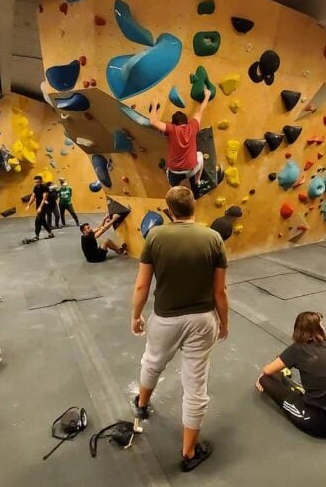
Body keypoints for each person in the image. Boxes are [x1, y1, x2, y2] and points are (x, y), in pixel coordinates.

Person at [131, 186, 228, 472]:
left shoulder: (155, 236)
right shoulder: (213, 238)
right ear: (193, 206)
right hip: (202, 321)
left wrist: (135, 316)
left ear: (169, 209)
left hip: (165, 319)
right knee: (195, 384)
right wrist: (224, 322)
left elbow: (142, 285)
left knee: (152, 362)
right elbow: (220, 291)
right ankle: (188, 451)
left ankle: (141, 405)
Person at [255, 312, 326, 438]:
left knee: (265, 379)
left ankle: (285, 377)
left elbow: (267, 370)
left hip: (316, 423)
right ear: (319, 328)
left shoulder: (297, 349)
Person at [149, 88, 211, 192]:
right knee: (200, 155)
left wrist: (154, 105)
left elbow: (153, 122)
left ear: (173, 123)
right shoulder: (193, 126)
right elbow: (200, 110)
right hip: (191, 169)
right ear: (186, 121)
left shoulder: (172, 129)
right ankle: (197, 180)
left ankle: (174, 189)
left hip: (174, 172)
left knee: (173, 189)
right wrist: (207, 96)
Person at [25, 175, 53, 240]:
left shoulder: (45, 188)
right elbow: (33, 196)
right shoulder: (35, 187)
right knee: (43, 221)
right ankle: (50, 233)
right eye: (36, 182)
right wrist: (28, 205)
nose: (37, 183)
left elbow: (44, 198)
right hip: (38, 206)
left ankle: (37, 236)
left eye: (38, 182)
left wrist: (40, 207)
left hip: (45, 206)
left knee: (37, 221)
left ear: (41, 181)